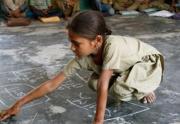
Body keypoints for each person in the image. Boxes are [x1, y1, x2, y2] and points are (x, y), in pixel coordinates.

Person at [0, 10, 164, 123]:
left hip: (147, 65)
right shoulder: (83, 56)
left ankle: (146, 86)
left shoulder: (112, 46)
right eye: (71, 42)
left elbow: (104, 83)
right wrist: (17, 105)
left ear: (97, 40)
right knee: (93, 84)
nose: (72, 48)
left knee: (118, 90)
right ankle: (135, 83)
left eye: (76, 43)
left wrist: (98, 121)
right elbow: (52, 84)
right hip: (126, 67)